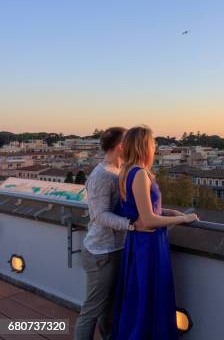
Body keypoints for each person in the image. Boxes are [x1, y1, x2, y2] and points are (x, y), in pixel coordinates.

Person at [113, 126, 198, 340]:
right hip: (148, 244)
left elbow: (145, 210)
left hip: (139, 241)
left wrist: (170, 211)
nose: (155, 147)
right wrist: (183, 218)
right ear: (144, 146)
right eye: (153, 143)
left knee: (140, 295)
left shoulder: (127, 172)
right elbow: (149, 220)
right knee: (149, 296)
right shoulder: (140, 174)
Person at [75, 127, 135, 340]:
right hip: (102, 252)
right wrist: (132, 225)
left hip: (114, 249)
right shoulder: (102, 176)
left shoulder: (119, 171)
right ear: (121, 146)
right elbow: (100, 215)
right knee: (92, 310)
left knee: (109, 307)